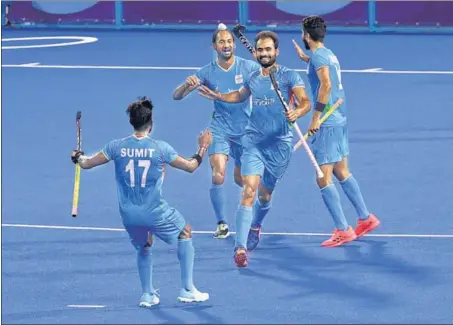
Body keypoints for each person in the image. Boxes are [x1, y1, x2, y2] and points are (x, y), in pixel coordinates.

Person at [70, 97, 211, 307]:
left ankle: (147, 294)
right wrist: (203, 148)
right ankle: (188, 289)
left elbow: (87, 163)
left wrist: (78, 157)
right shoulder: (160, 148)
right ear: (151, 124)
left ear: (131, 122)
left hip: (128, 215)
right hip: (154, 211)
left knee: (145, 244)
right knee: (185, 232)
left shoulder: (116, 147)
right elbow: (191, 166)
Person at [198, 31, 311, 267]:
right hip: (254, 142)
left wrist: (297, 112)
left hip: (279, 145)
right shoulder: (253, 77)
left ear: (276, 52)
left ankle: (256, 225)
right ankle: (239, 248)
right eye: (260, 50)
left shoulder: (289, 76)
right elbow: (239, 96)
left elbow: (305, 102)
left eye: (268, 49)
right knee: (248, 190)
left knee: (264, 195)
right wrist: (217, 95)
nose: (264, 53)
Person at [292, 15, 380, 247]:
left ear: (307, 36)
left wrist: (316, 117)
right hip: (339, 119)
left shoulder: (319, 56)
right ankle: (366, 218)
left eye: (303, 33)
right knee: (342, 170)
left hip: (328, 122)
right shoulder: (325, 54)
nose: (302, 36)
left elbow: (326, 85)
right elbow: (322, 70)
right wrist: (306, 60)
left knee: (323, 178)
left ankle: (343, 229)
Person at [173, 28, 260, 240]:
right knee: (218, 174)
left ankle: (254, 210)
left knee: (243, 180)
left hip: (245, 130)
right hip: (220, 128)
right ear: (214, 46)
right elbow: (176, 96)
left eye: (230, 41)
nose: (227, 45)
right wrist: (187, 85)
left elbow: (268, 84)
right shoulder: (207, 71)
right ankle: (222, 223)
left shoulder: (248, 67)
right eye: (222, 42)